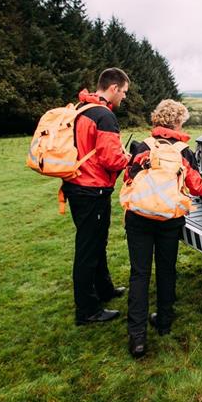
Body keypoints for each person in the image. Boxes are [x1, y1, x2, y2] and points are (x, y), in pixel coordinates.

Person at [124, 99, 202, 358]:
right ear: (177, 122)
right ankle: (164, 322)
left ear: (157, 120)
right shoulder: (184, 152)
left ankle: (138, 338)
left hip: (138, 217)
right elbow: (200, 187)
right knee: (166, 270)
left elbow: (128, 177)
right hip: (169, 219)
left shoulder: (144, 146)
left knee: (139, 274)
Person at [62, 68, 131, 326]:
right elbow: (111, 159)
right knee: (88, 249)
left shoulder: (82, 108)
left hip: (76, 186)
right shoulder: (104, 116)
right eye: (123, 92)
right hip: (92, 189)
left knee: (95, 242)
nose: (124, 97)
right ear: (113, 88)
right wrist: (131, 158)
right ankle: (87, 310)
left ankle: (104, 289)